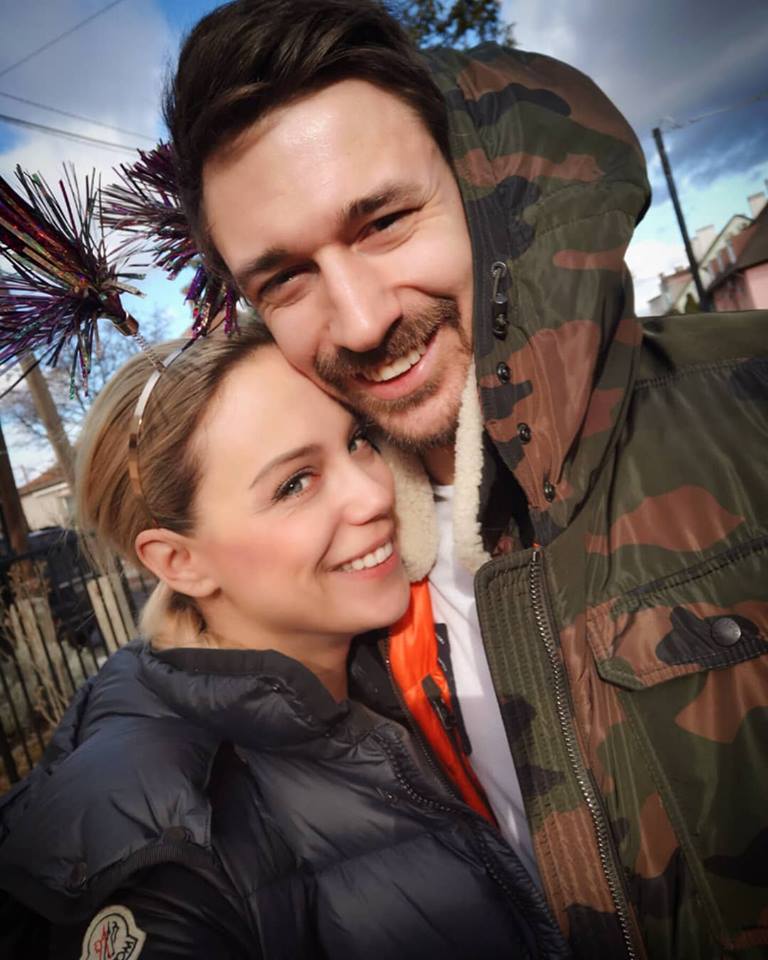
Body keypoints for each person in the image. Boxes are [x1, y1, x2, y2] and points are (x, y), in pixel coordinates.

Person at [163, 2, 768, 958]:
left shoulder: (749, 410)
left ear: (480, 185)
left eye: (385, 222)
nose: (360, 319)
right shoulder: (358, 594)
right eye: (285, 279)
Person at [0, 324, 569, 959]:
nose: (373, 494)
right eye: (295, 483)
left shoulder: (377, 657)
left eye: (357, 440)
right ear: (180, 562)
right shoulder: (165, 852)